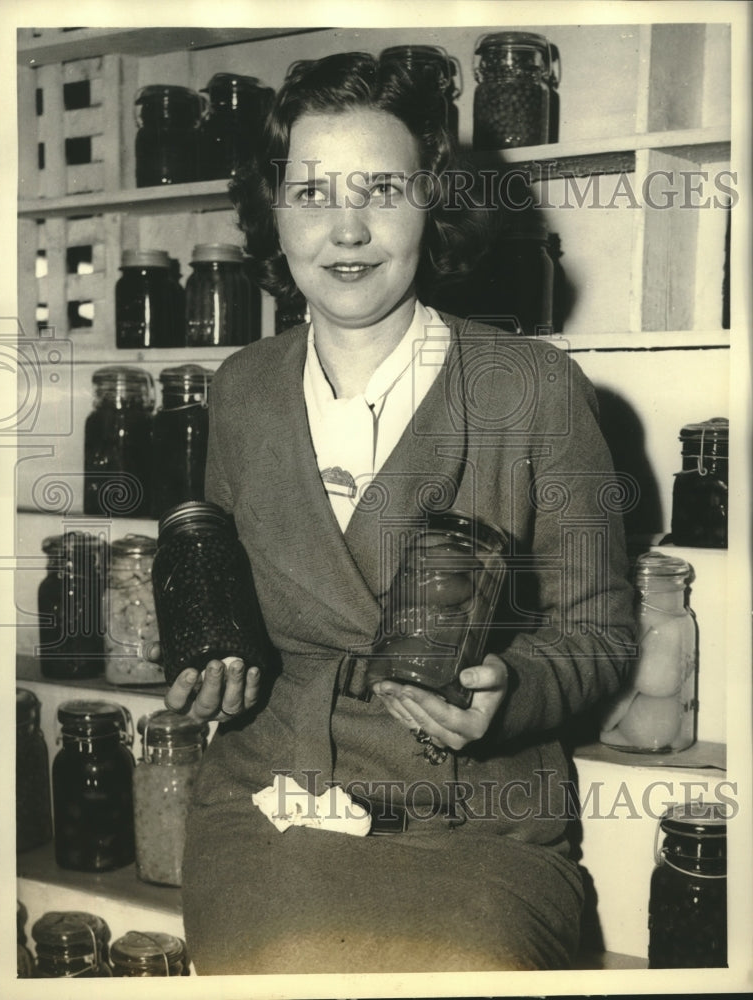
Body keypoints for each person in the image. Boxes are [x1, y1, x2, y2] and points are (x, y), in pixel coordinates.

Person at [163, 51, 637, 974]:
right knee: (282, 965)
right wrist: (210, 663)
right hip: (275, 794)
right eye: (311, 193)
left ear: (434, 200)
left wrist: (511, 694)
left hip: (478, 810)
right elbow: (223, 602)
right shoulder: (241, 389)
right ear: (275, 210)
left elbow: (603, 631)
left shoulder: (535, 386)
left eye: (382, 188)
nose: (347, 229)